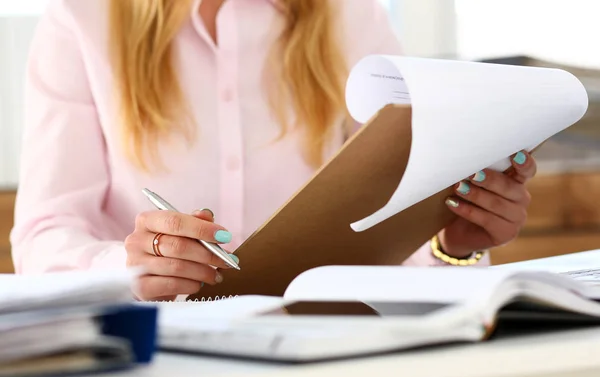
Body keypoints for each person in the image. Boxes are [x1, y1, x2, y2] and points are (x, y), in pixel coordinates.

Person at [11, 0, 537, 301]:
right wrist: (126, 267)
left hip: (321, 348)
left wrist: (451, 242)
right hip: (157, 358)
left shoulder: (352, 17)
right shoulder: (83, 20)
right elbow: (43, 235)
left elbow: (387, 224)